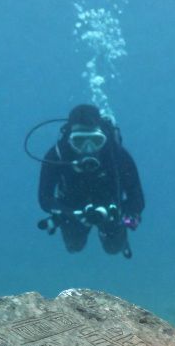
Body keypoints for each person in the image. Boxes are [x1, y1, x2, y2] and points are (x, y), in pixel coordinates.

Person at [37, 104, 144, 258]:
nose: (88, 149)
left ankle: (120, 239)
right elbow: (44, 198)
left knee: (113, 248)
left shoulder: (118, 155)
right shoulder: (57, 156)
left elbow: (137, 200)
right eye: (79, 141)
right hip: (72, 207)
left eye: (96, 141)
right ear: (69, 139)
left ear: (104, 138)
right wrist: (70, 213)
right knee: (74, 245)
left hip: (111, 208)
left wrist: (119, 214)